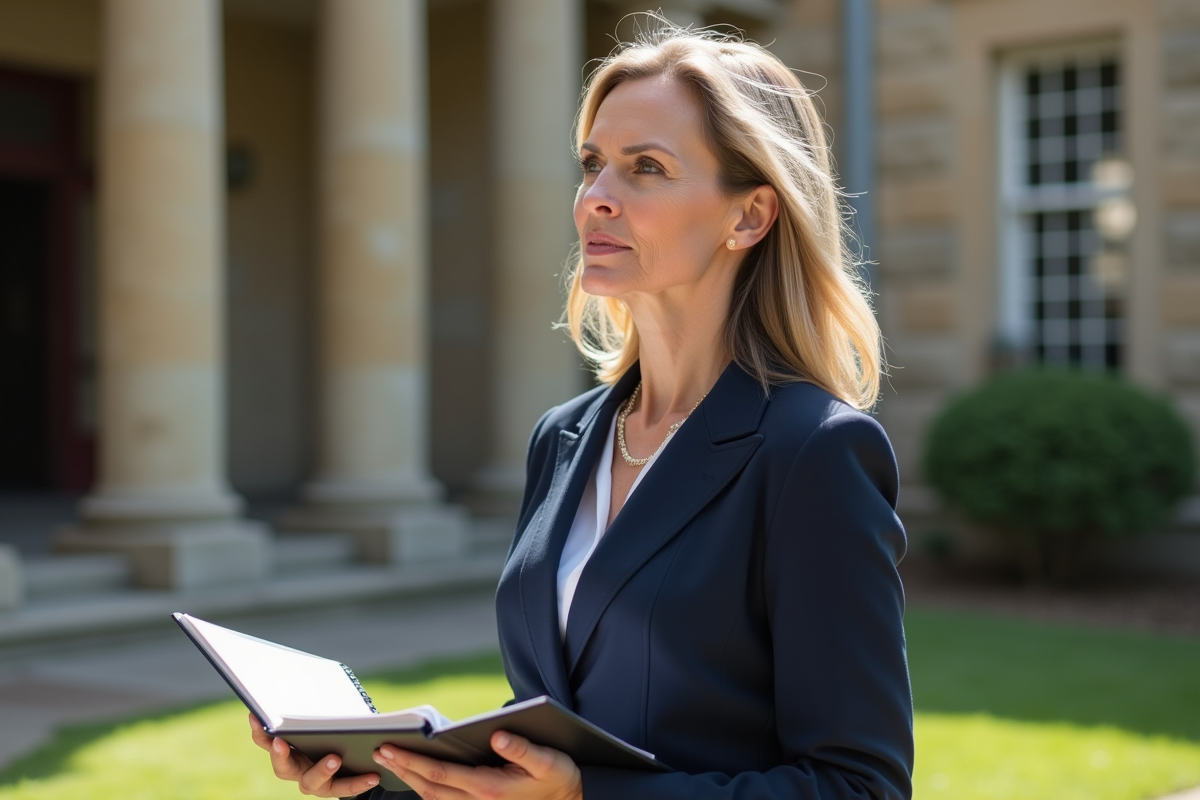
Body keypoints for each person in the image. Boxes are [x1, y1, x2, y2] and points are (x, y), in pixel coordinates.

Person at [251, 23, 913, 800]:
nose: (597, 197)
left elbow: (857, 786)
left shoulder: (814, 453)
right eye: (594, 164)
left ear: (750, 217)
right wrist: (392, 773)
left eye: (647, 168)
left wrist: (582, 796)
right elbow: (560, 724)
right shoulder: (564, 438)